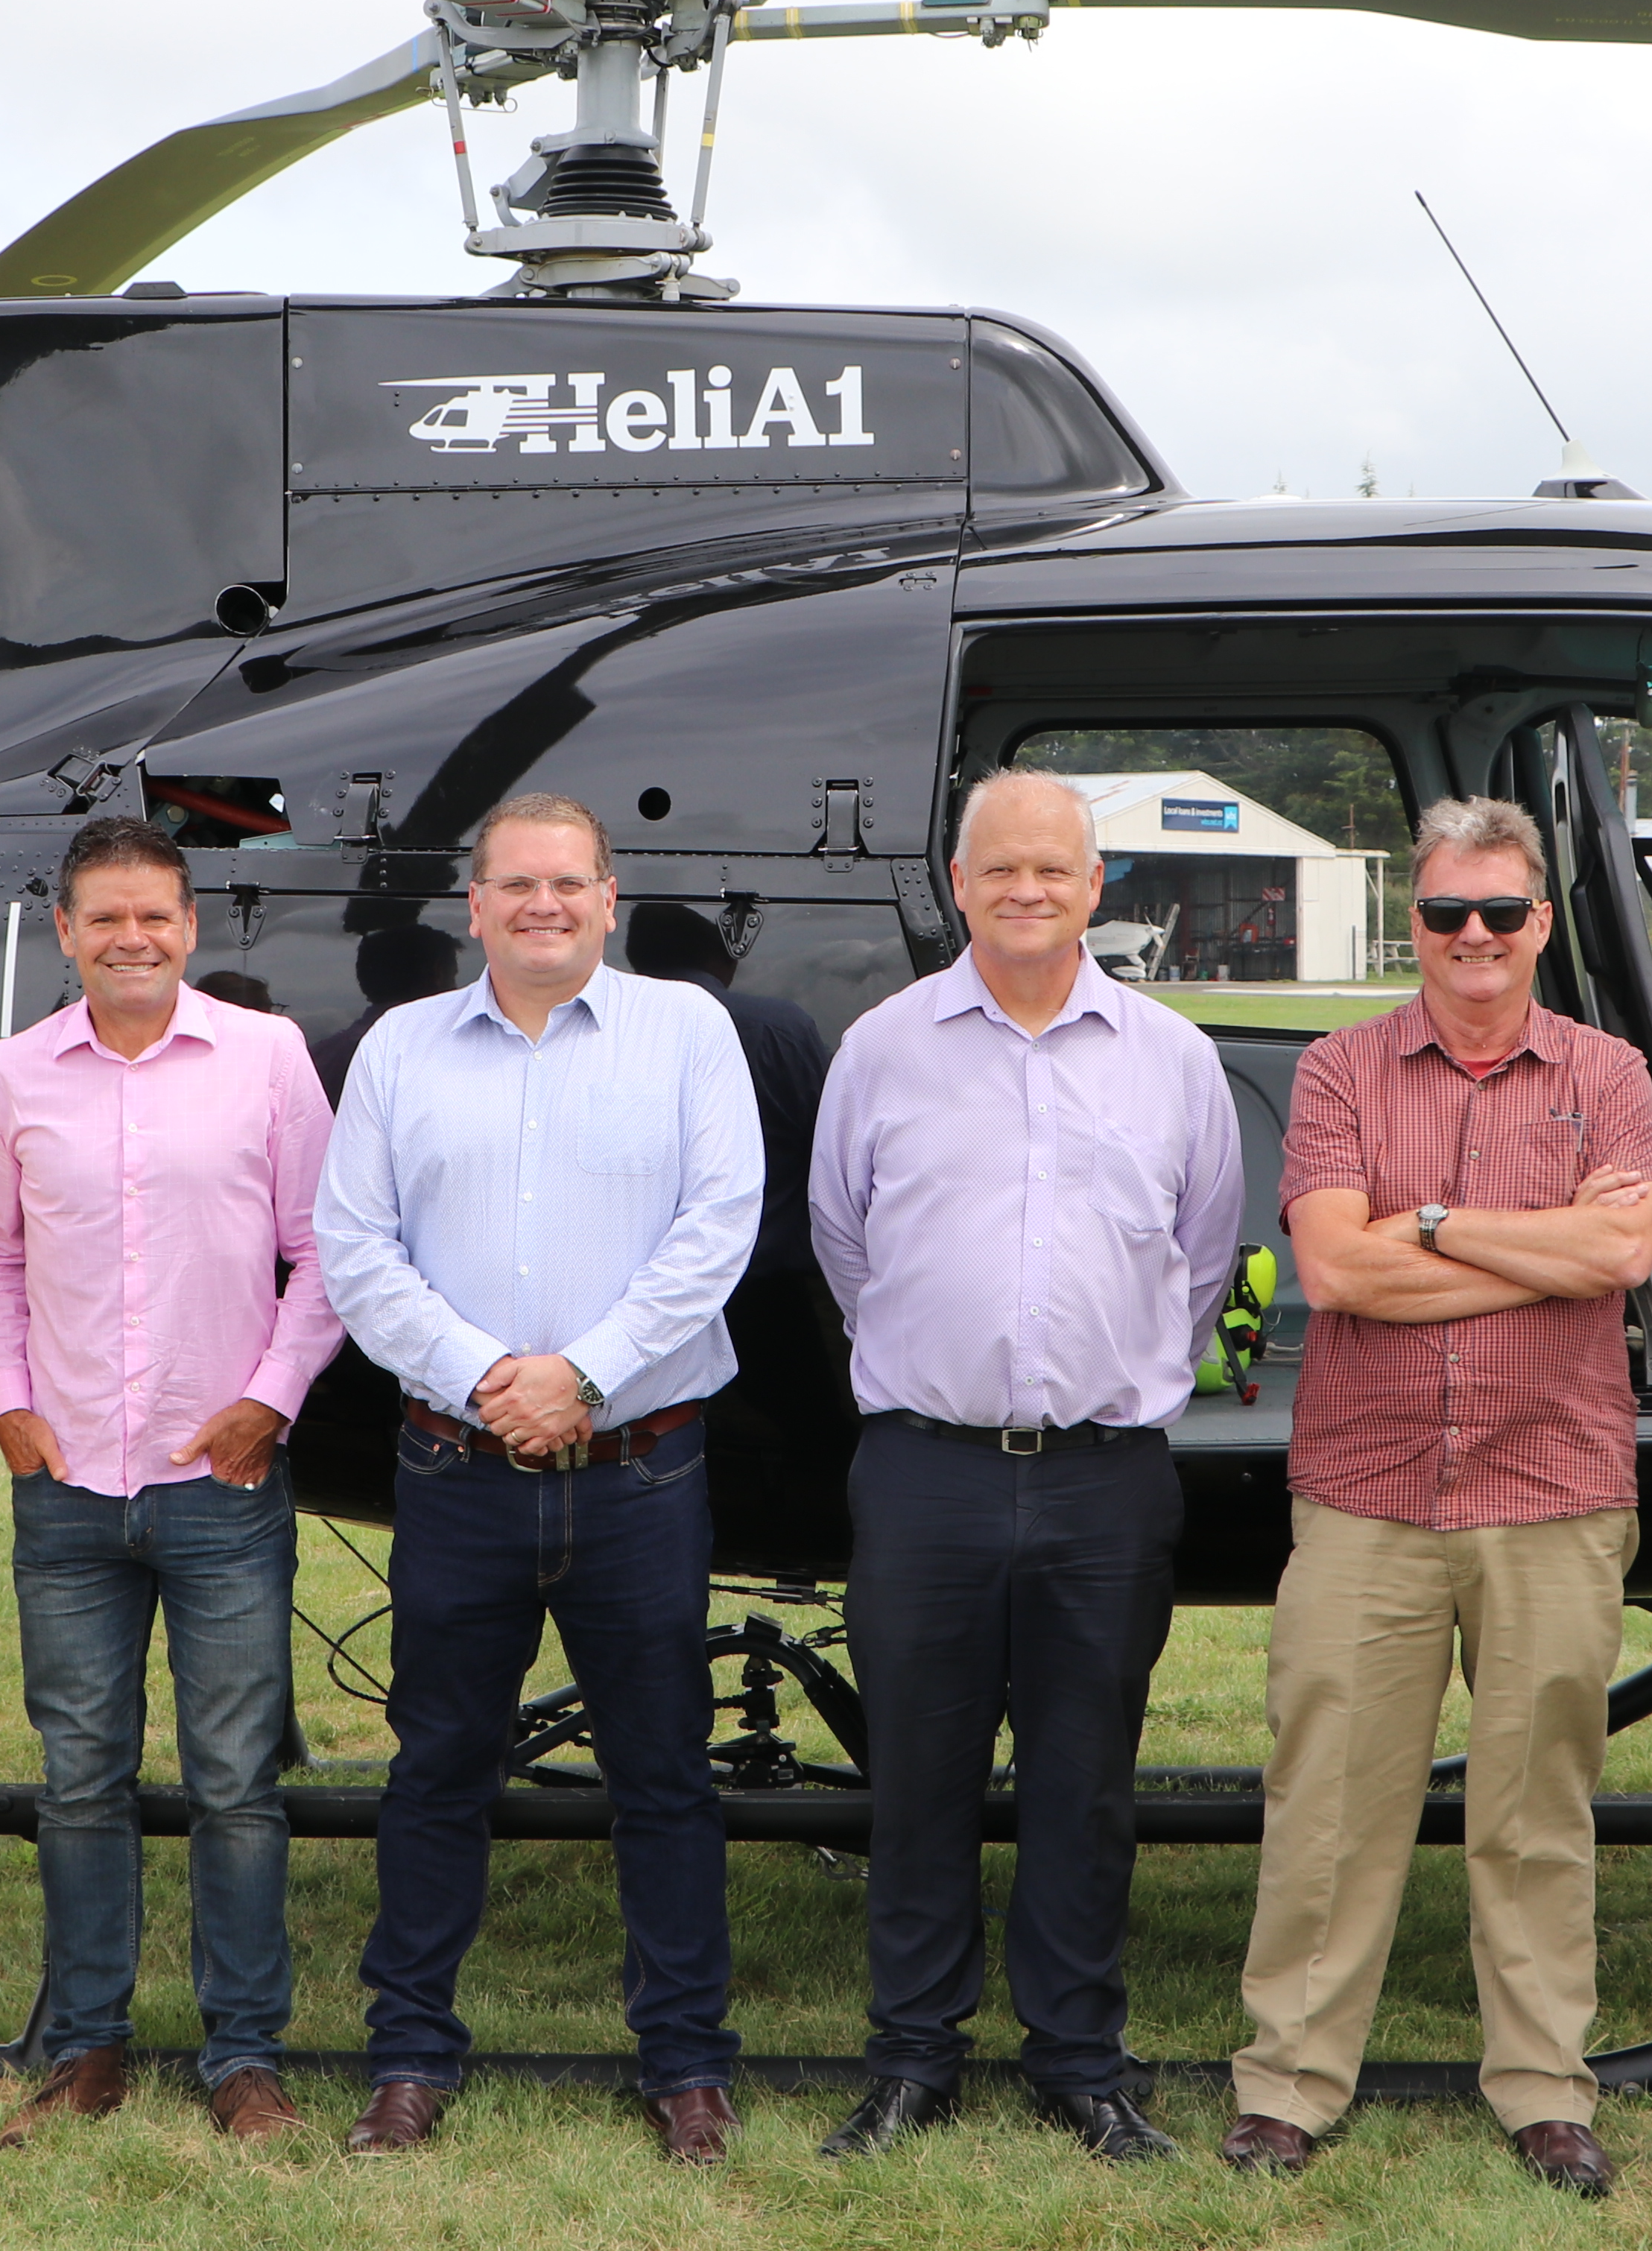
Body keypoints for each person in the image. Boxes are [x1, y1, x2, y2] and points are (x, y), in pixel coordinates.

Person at [1221, 795, 1652, 2193]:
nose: (1472, 937)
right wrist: (1541, 1252)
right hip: (1370, 1487)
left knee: (1538, 1803)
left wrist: (1425, 1224)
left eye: (1500, 912)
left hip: (1551, 1483)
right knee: (1332, 1798)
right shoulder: (1344, 1070)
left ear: (1542, 922)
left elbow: (1624, 1256)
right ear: (1409, 921)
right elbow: (1337, 1274)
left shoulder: (1607, 1073)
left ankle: (1543, 2086)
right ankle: (1289, 2084)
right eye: (1443, 912)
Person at [314, 792, 762, 2162]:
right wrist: (488, 1379)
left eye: (568, 884)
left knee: (663, 1773)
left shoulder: (688, 1033)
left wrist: (584, 1374)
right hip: (457, 1466)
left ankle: (687, 2063)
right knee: (438, 1765)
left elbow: (719, 1223)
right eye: (516, 886)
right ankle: (408, 2057)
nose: (543, 906)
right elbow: (354, 1244)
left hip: (639, 1466)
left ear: (608, 900)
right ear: (477, 907)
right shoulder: (402, 1048)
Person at [806, 769, 1243, 2164]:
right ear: (960, 882)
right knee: (916, 1777)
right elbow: (844, 1242)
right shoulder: (882, 1048)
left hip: (1102, 1479)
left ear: (1096, 886)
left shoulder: (1170, 1055)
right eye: (1001, 870)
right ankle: (912, 2059)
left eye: (1054, 870)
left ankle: (1081, 2062)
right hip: (925, 1471)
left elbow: (1202, 1249)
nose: (1027, 892)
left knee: (1084, 1778)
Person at [0, 817, 344, 2150]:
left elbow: (325, 1251)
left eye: (156, 917)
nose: (133, 938)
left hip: (219, 1481)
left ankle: (244, 2053)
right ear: (63, 933)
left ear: (192, 928)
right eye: (104, 919)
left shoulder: (268, 1059)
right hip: (66, 1484)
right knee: (80, 1777)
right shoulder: (10, 1078)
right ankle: (88, 2045)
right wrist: (6, 1409)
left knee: (236, 1780)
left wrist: (268, 1402)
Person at [627, 899, 851, 1472]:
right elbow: (831, 1149)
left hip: (637, 1290)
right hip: (765, 1290)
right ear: (720, 958)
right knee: (813, 1436)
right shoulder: (778, 1027)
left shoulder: (611, 1032)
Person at [309, 921, 464, 1106]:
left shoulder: (322, 1055)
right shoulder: (434, 1058)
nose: (456, 989)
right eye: (453, 976)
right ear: (438, 973)